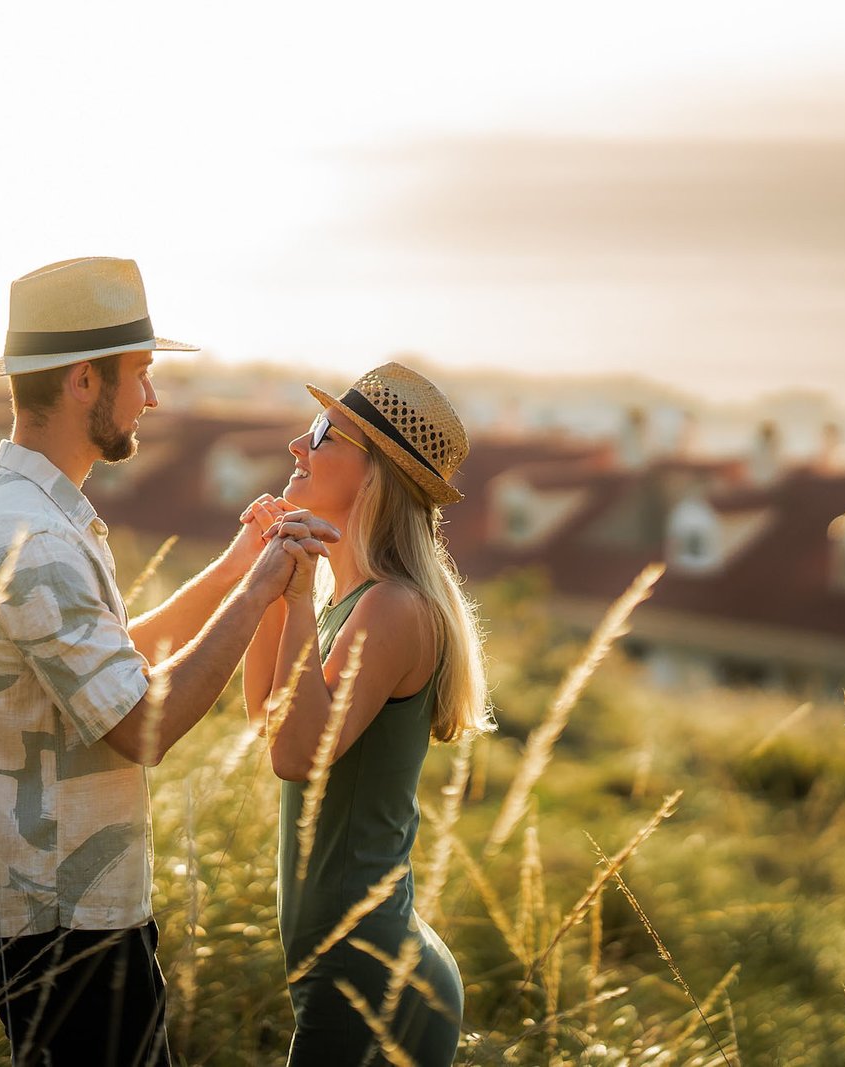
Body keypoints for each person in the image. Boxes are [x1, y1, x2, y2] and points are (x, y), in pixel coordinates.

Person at [0, 256, 334, 1066]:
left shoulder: (27, 511)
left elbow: (114, 662)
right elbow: (140, 725)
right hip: (61, 917)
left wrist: (234, 565)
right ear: (85, 381)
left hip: (56, 906)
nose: (153, 398)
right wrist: (262, 591)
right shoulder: (34, 537)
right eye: (142, 374)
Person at [243, 362, 492, 1066]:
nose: (298, 442)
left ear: (375, 473)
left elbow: (297, 758)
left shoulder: (392, 607)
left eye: (323, 433)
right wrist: (275, 578)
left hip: (368, 972)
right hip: (347, 962)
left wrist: (293, 600)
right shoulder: (351, 603)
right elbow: (267, 718)